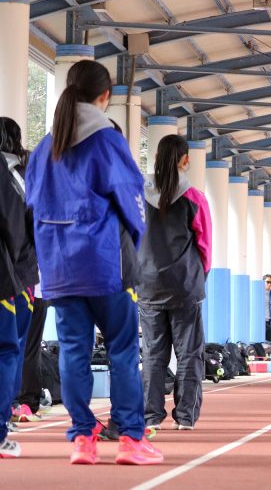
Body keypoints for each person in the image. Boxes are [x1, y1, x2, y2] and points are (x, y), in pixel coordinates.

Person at [25, 60, 162, 465]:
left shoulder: (43, 148)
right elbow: (132, 198)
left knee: (73, 352)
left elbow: (32, 206)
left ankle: (83, 438)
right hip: (105, 266)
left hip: (59, 269)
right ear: (105, 97)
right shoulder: (106, 140)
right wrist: (134, 244)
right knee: (122, 350)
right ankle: (131, 439)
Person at [138, 134, 211, 434]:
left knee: (153, 354)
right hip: (184, 286)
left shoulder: (138, 192)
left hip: (147, 285)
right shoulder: (194, 197)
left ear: (156, 157)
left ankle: (151, 415)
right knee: (189, 353)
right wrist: (198, 277)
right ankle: (185, 416)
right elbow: (205, 246)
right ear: (185, 160)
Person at [0, 119, 39, 458]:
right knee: (9, 349)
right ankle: (4, 420)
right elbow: (28, 228)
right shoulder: (17, 175)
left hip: (16, 273)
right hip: (14, 276)